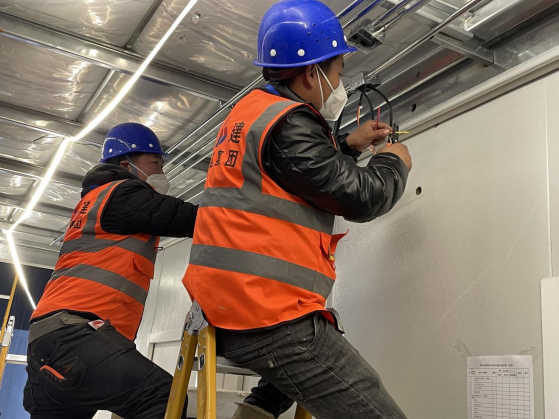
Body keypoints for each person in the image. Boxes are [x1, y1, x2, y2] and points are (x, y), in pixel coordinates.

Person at [182, 1, 412, 418]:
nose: (339, 85)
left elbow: (299, 173)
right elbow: (362, 197)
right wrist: (393, 162)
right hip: (263, 317)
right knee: (374, 405)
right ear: (311, 73)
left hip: (223, 309)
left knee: (295, 370)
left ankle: (256, 411)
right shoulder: (290, 123)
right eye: (338, 73)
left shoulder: (254, 114)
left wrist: (347, 145)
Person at [23, 123, 195, 419]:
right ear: (127, 166)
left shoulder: (95, 202)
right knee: (165, 398)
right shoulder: (123, 193)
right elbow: (192, 219)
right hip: (75, 334)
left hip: (51, 338)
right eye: (155, 163)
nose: (162, 172)